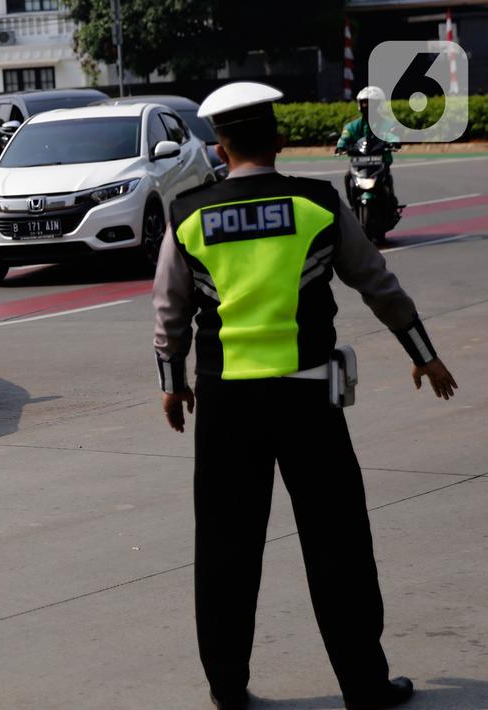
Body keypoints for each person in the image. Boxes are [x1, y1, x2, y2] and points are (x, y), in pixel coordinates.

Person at [152, 82, 458, 710]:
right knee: (337, 542)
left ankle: (227, 689)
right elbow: (378, 283)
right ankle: (364, 687)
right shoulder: (316, 203)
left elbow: (169, 313)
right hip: (309, 402)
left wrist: (171, 386)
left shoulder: (189, 213)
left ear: (220, 145)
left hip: (227, 407)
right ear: (280, 140)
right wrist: (423, 355)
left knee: (225, 547)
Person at [336, 86, 398, 204]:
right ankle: (352, 202)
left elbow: (393, 135)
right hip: (359, 162)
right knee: (347, 176)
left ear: (379, 104)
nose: (366, 106)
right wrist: (341, 146)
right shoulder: (352, 126)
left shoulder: (388, 124)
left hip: (380, 161)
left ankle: (391, 201)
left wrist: (393, 142)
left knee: (387, 178)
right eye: (363, 103)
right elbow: (344, 137)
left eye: (370, 103)